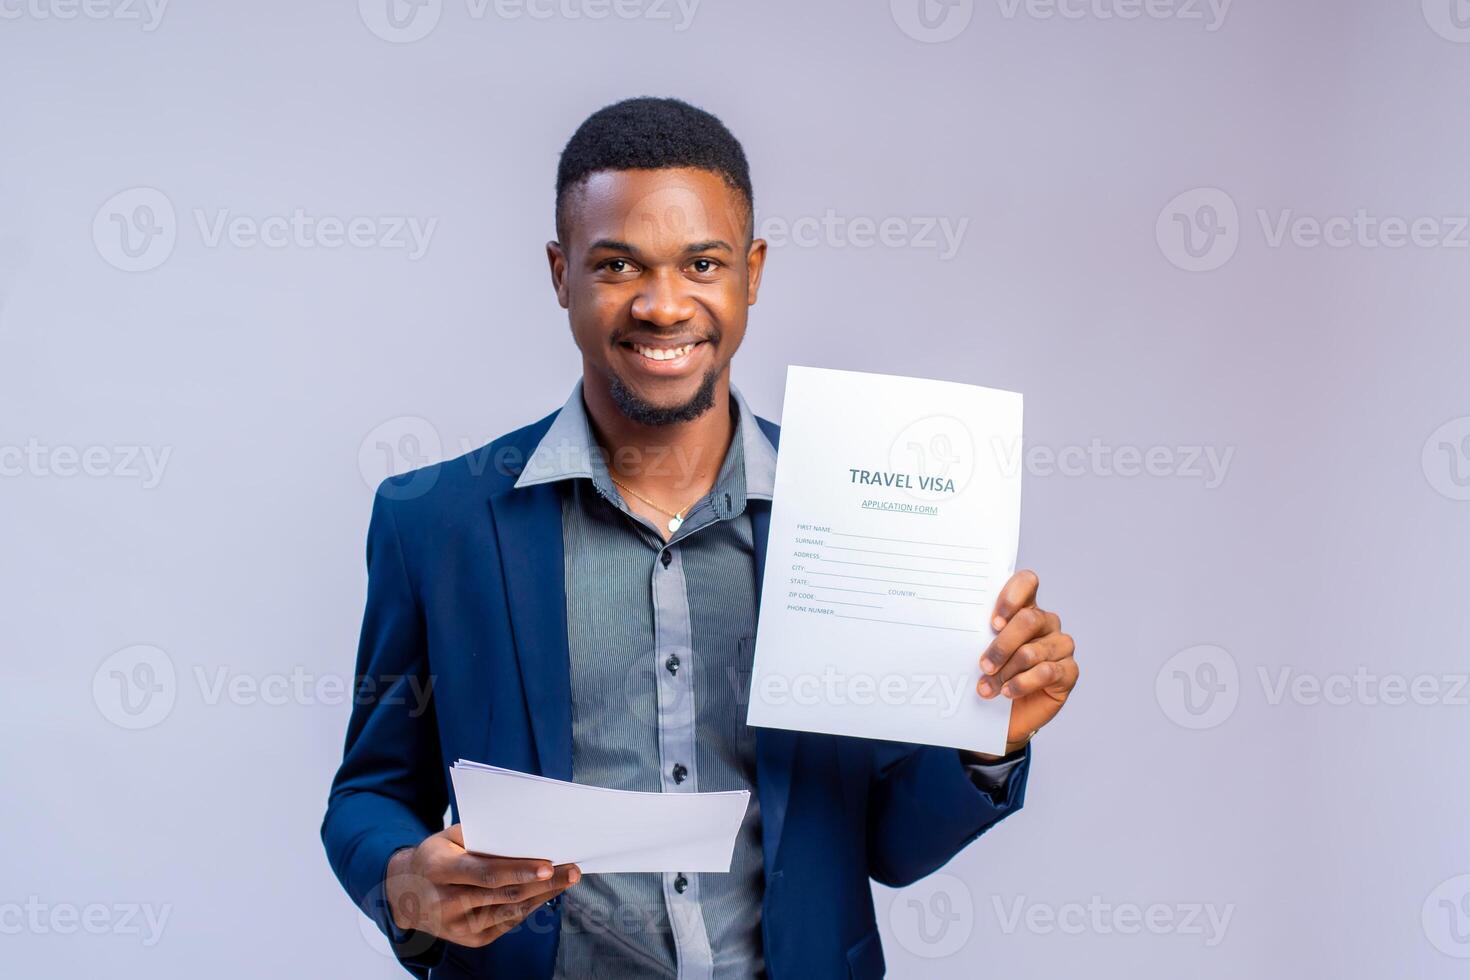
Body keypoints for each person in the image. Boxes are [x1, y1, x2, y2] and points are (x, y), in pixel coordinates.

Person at [322, 96, 1079, 980]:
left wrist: (986, 740)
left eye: (702, 263)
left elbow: (892, 850)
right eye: (617, 265)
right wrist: (403, 880)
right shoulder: (437, 522)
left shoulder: (851, 515)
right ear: (560, 274)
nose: (663, 304)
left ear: (750, 273)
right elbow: (370, 792)